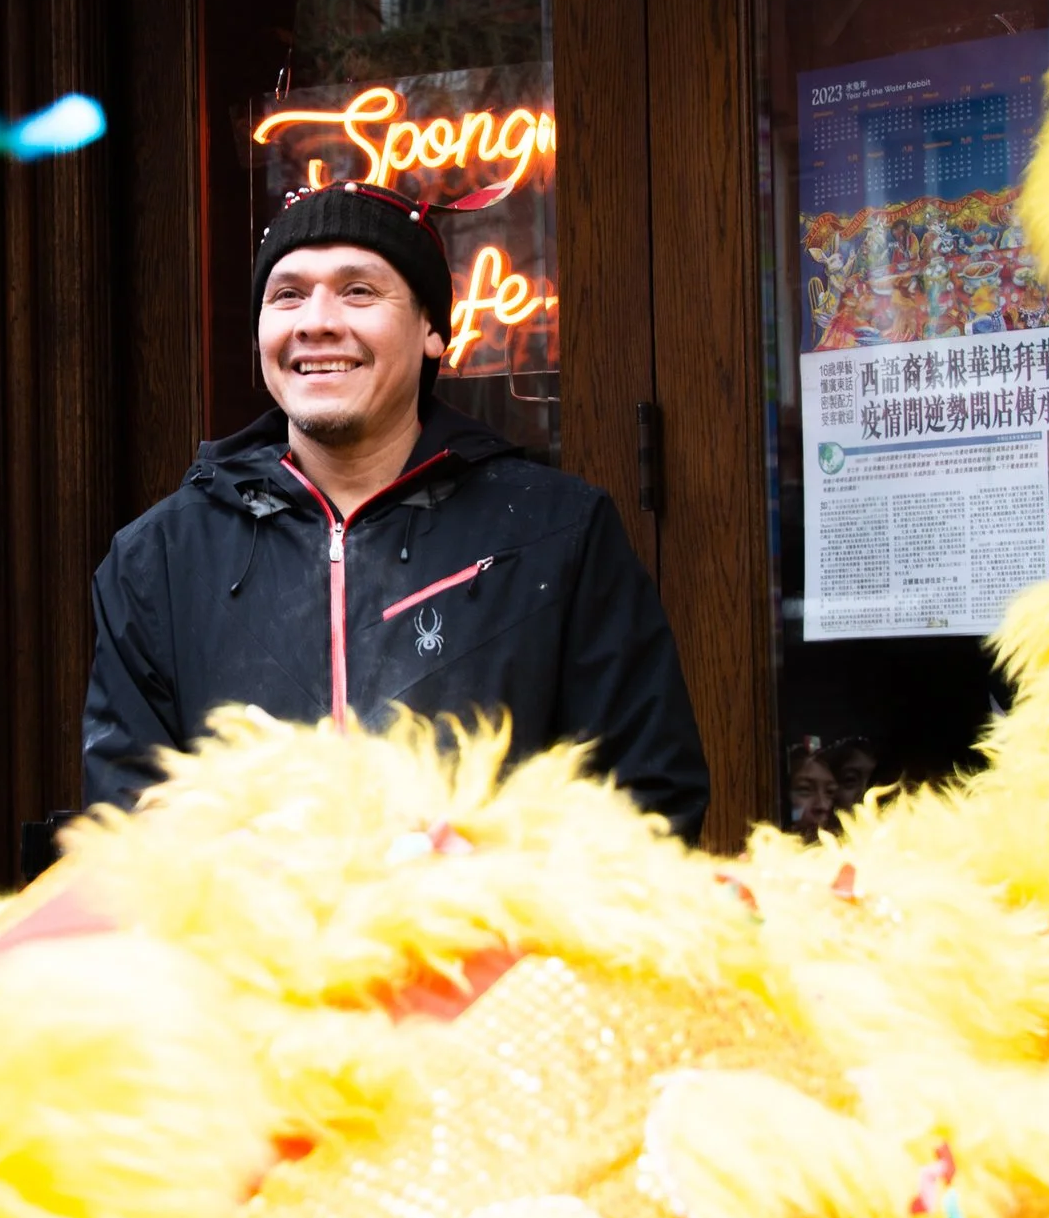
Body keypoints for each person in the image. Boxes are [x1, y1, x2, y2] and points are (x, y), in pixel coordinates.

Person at [81, 179, 710, 838]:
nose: (316, 321)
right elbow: (127, 837)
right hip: (247, 940)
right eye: (287, 293)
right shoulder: (158, 560)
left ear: (433, 329)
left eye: (358, 290)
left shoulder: (557, 532)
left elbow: (647, 801)